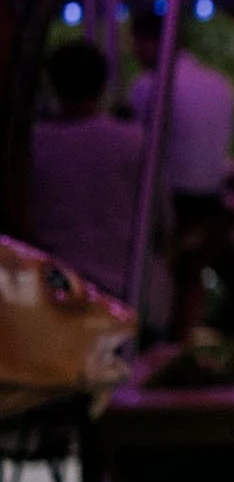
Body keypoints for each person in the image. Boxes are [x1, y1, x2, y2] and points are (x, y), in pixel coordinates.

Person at [128, 8, 234, 333]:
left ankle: (159, 343)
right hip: (212, 205)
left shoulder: (149, 86)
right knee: (191, 278)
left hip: (170, 206)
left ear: (149, 43)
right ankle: (183, 345)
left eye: (135, 44)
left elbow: (138, 151)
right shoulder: (221, 84)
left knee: (165, 274)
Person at [24, 41, 149, 304]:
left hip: (54, 285)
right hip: (123, 282)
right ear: (103, 84)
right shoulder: (134, 142)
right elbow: (157, 217)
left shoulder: (32, 145)